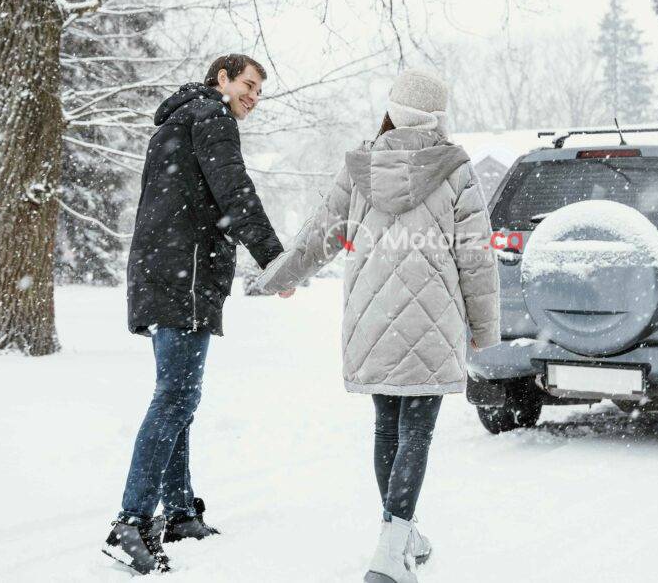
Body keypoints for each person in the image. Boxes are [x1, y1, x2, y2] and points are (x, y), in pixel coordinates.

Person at [253, 68, 500, 582]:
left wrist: (281, 276)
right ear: (436, 117)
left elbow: (320, 234)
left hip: (372, 314)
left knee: (389, 423)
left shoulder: (360, 165)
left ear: (393, 109)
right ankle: (391, 554)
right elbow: (476, 257)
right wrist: (484, 325)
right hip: (434, 316)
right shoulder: (455, 168)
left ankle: (402, 533)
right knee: (416, 430)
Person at [103, 54, 292, 574]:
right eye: (248, 84)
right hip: (183, 275)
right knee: (176, 396)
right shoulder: (212, 117)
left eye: (259, 90)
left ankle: (180, 511)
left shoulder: (179, 120)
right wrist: (275, 259)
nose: (253, 96)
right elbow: (234, 193)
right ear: (223, 79)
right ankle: (132, 521)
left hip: (163, 273)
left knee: (177, 393)